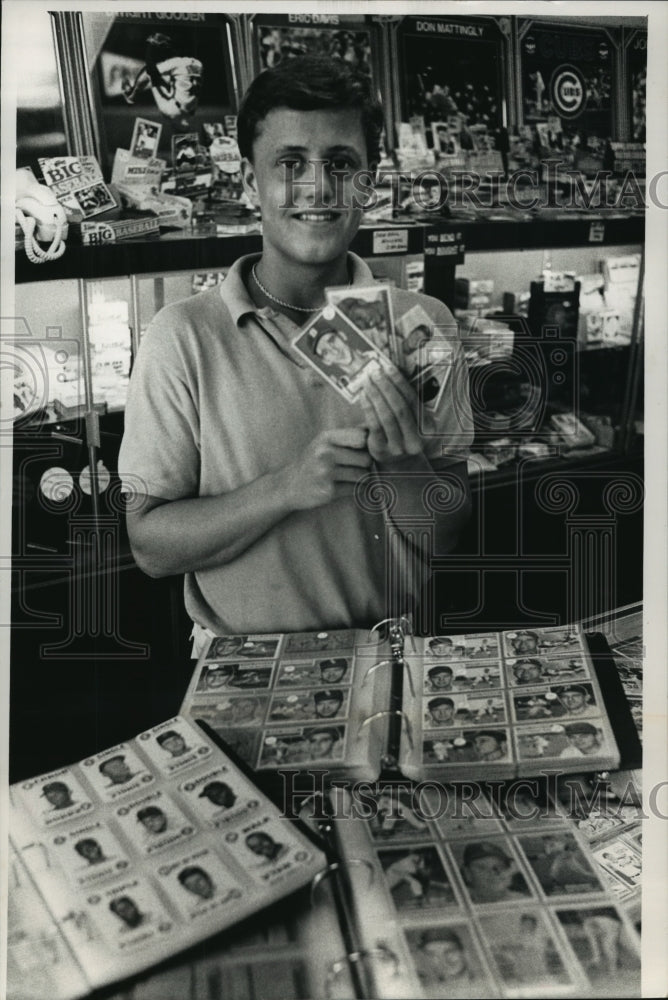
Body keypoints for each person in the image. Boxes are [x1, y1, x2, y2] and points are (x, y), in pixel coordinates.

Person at [119, 56, 473, 643]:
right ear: (248, 180)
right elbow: (150, 547)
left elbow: (449, 535)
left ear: (371, 180)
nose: (317, 187)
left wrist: (405, 465)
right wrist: (285, 488)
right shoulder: (179, 338)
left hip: (396, 654)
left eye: (341, 163)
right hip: (242, 668)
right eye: (290, 163)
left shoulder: (422, 323)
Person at [460, 841, 529, 903]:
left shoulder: (524, 901)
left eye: (499, 866)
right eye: (482, 868)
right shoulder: (457, 903)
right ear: (467, 873)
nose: (492, 873)